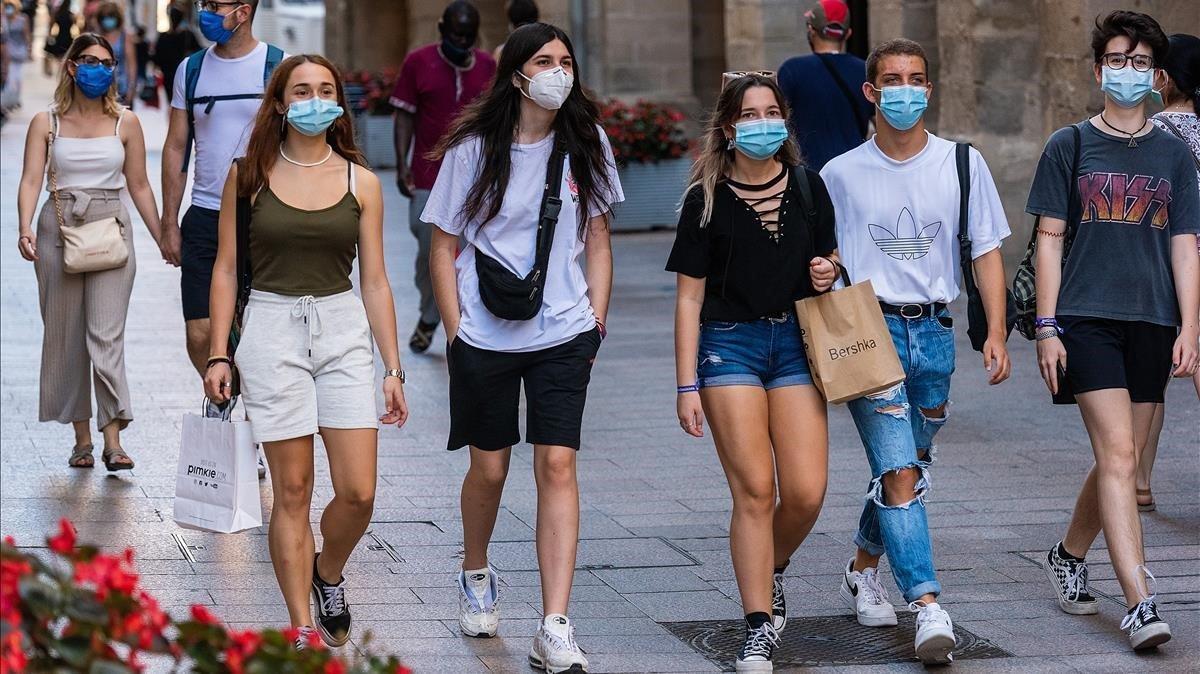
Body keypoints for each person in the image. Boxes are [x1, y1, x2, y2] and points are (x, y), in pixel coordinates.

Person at [425, 22, 622, 673]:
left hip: (563, 331)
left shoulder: (586, 143)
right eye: (544, 61)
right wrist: (455, 332)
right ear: (516, 73)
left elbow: (597, 237)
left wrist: (595, 318)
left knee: (558, 465)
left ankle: (554, 623)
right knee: (489, 467)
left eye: (566, 60)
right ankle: (476, 570)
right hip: (484, 332)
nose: (558, 72)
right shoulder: (475, 151)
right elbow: (444, 244)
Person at [203, 54, 409, 650]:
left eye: (325, 90)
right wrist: (220, 353)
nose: (315, 99)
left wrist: (392, 368)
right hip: (270, 328)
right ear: (279, 103)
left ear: (338, 102)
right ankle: (299, 627)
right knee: (292, 491)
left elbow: (375, 280)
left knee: (358, 492)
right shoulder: (248, 175)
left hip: (343, 328)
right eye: (301, 90)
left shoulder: (360, 181)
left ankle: (328, 572)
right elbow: (225, 269)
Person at [820, 38, 1014, 665]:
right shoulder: (839, 174)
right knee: (901, 471)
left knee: (908, 462)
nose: (907, 90)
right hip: (867, 333)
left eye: (918, 79)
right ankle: (927, 603)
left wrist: (995, 331)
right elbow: (827, 254)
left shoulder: (962, 163)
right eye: (893, 80)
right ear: (871, 92)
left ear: (929, 89)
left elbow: (985, 249)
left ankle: (861, 566)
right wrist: (826, 270)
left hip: (933, 333)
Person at [1029, 11, 1199, 652]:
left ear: (1155, 75)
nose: (1126, 72)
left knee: (1116, 458)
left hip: (1154, 319)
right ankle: (1139, 600)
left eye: (1139, 62)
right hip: (1087, 318)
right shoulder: (1068, 145)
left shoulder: (1174, 152)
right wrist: (1047, 326)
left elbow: (1185, 244)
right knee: (1121, 458)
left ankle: (1069, 553)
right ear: (1099, 68)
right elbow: (1048, 240)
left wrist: (1191, 325)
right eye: (1116, 59)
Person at [668, 72, 838, 673]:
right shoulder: (704, 199)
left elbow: (827, 261)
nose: (763, 123)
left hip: (796, 344)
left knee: (808, 491)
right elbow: (689, 298)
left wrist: (827, 271)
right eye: (750, 114)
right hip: (728, 348)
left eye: (772, 113)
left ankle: (771, 568)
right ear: (728, 126)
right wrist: (686, 382)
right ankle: (758, 625)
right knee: (755, 491)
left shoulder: (811, 189)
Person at [15, 33, 163, 471]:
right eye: (90, 60)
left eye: (107, 61)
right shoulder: (47, 121)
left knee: (105, 332)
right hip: (58, 226)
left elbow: (138, 185)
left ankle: (112, 438)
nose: (99, 68)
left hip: (111, 227)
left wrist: (162, 236)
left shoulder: (126, 122)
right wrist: (23, 227)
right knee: (64, 334)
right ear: (72, 66)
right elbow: (29, 179)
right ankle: (81, 438)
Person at [391, 0, 495, 354]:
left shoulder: (487, 66)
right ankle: (430, 311)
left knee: (466, 256)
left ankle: (453, 322)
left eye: (468, 36)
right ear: (441, 30)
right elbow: (404, 116)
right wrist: (401, 163)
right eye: (456, 35)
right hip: (427, 175)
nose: (462, 42)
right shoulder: (417, 62)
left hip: (478, 179)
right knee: (428, 253)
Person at [1135, 33, 1200, 513]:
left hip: (1167, 262)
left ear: (1163, 77)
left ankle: (1137, 481)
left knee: (1150, 375)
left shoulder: (1153, 133)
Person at [777, 0, 872, 171]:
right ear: (848, 33)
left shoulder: (792, 69)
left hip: (806, 175)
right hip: (855, 171)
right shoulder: (865, 70)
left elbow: (778, 123)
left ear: (811, 30)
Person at [151, 5, 200, 106]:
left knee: (172, 102)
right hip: (184, 74)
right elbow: (198, 51)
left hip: (169, 76)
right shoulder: (188, 35)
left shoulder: (164, 37)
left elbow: (156, 57)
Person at [93, 2, 137, 105]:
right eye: (105, 17)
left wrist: (132, 88)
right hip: (101, 89)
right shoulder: (97, 37)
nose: (108, 20)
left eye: (111, 16)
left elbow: (132, 64)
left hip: (122, 89)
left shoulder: (125, 37)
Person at [1, 0, 30, 111]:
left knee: (16, 77)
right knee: (11, 77)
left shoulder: (22, 19)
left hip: (18, 51)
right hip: (7, 52)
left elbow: (26, 34)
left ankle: (14, 99)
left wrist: (29, 49)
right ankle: (11, 100)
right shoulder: (3, 20)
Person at [42, 0, 75, 77]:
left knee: (58, 56)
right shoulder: (71, 15)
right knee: (64, 56)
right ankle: (62, 71)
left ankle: (59, 71)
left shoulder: (57, 13)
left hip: (60, 37)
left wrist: (49, 35)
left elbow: (51, 24)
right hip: (68, 37)